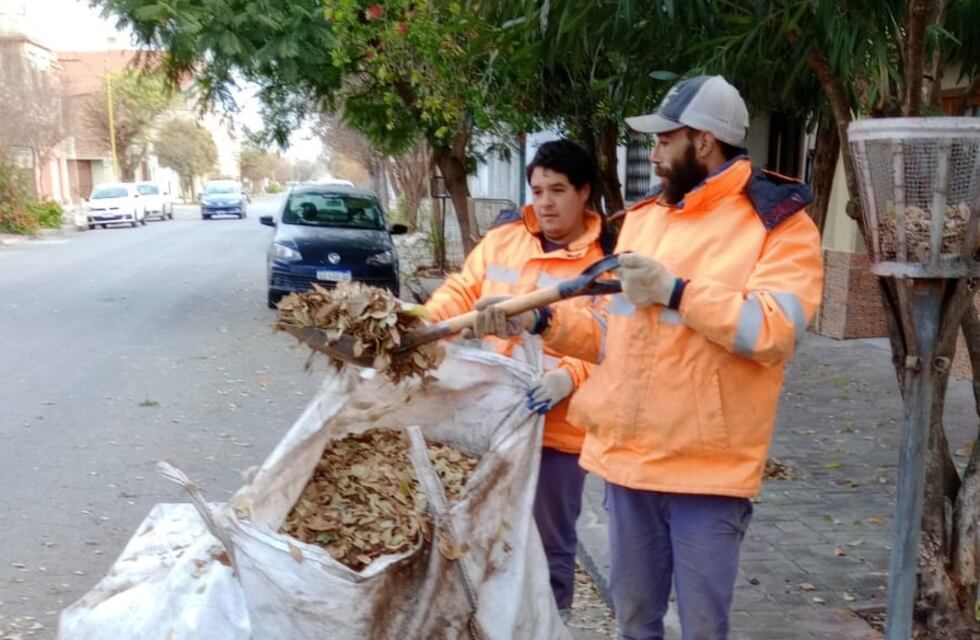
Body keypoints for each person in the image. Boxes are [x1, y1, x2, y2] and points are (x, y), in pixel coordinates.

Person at [470, 75, 824, 639]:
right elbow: (613, 335)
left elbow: (774, 330)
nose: (654, 154)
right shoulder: (644, 219)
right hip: (628, 462)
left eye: (664, 141)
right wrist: (538, 320)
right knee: (634, 620)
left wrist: (678, 292)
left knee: (704, 629)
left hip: (708, 470)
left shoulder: (777, 223)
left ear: (703, 141)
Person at [424, 139, 607, 619]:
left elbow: (613, 335)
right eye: (537, 189)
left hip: (559, 430)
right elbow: (463, 289)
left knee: (549, 544)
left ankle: (552, 623)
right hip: (495, 420)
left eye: (558, 190)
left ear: (584, 192)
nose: (544, 202)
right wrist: (423, 323)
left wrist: (569, 377)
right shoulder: (505, 240)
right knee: (489, 533)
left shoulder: (602, 262)